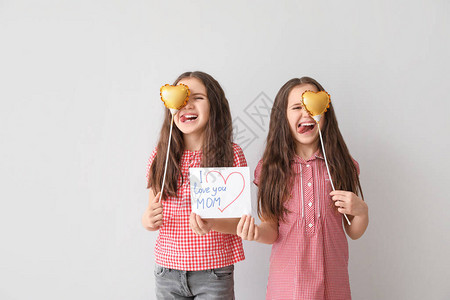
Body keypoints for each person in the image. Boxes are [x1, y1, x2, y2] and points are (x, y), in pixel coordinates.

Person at [237, 77, 369, 299]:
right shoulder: (270, 169)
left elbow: (353, 231)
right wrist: (256, 233)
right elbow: (271, 229)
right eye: (297, 107)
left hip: (333, 286)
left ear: (325, 114)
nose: (306, 113)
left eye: (312, 105)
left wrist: (362, 212)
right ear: (283, 117)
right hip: (287, 287)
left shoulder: (342, 165)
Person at [142, 71, 247, 299]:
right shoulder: (161, 156)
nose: (187, 105)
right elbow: (150, 213)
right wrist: (148, 220)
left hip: (213, 271)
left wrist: (213, 223)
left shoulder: (231, 155)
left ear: (215, 106)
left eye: (198, 98)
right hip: (167, 270)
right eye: (181, 98)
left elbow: (240, 222)